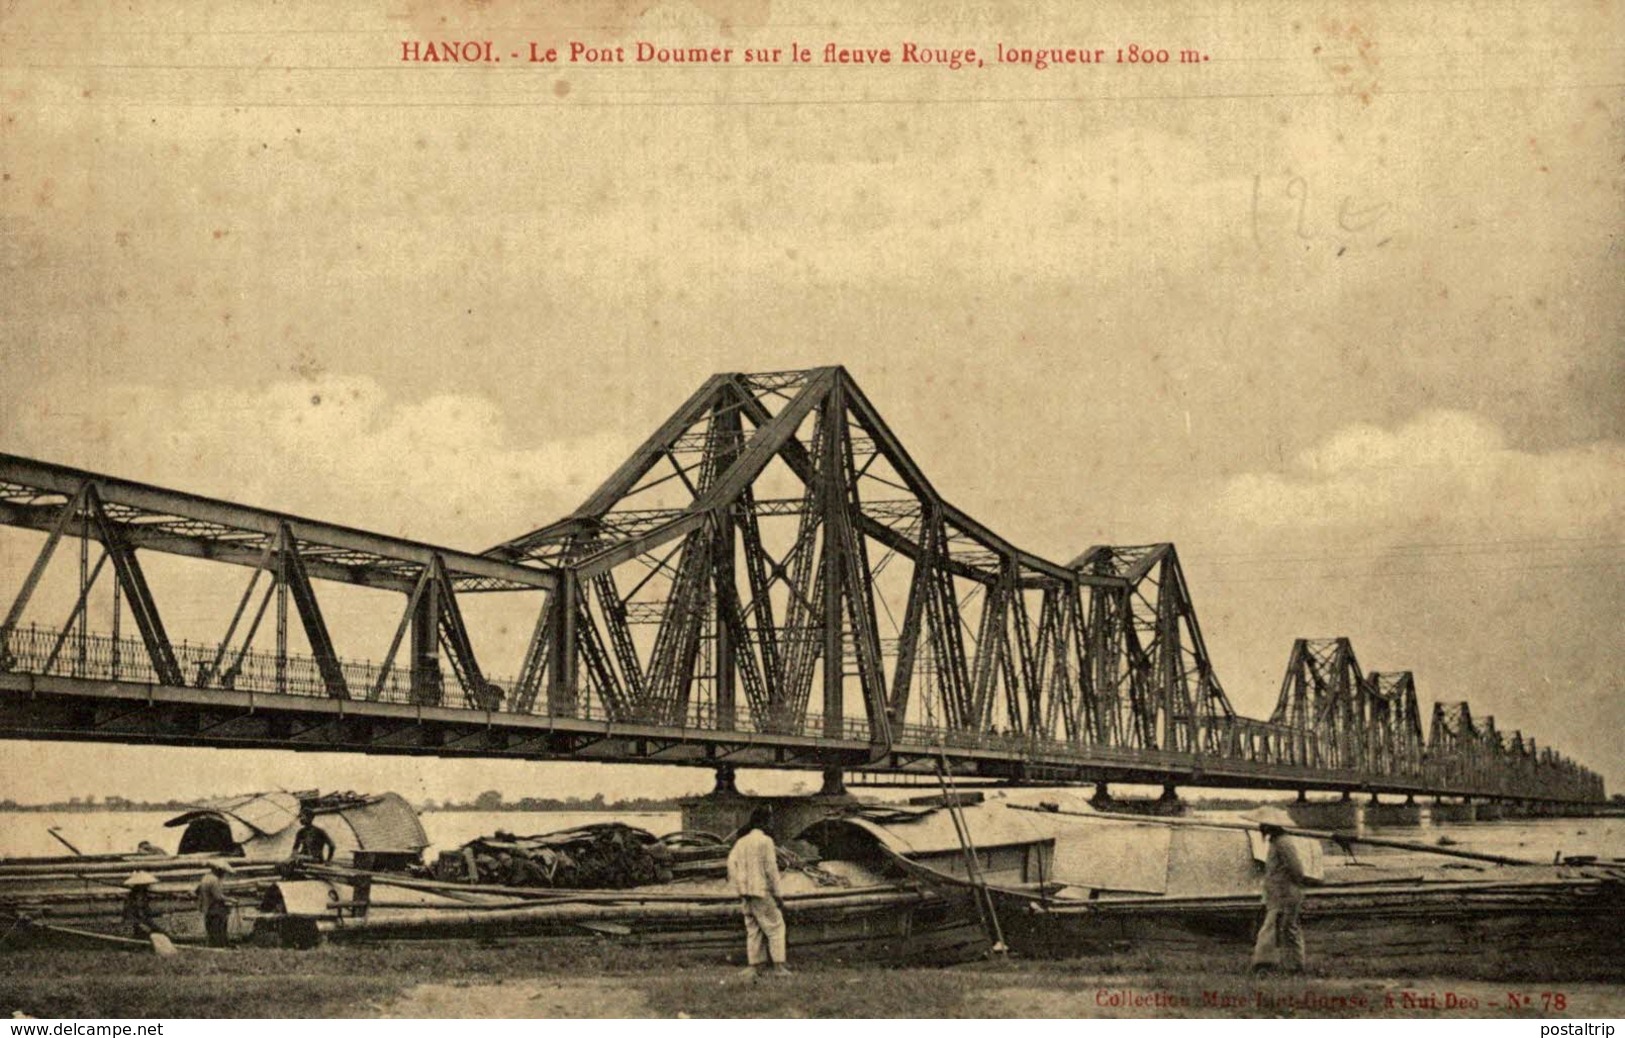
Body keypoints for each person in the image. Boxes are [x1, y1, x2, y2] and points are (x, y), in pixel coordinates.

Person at [1247, 807, 1321, 974]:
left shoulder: (1283, 843)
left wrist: (1294, 885)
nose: (1260, 827)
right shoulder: (1276, 842)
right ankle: (1292, 966)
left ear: (1270, 826)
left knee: (1274, 928)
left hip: (1285, 894)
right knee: (1287, 929)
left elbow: (1296, 870)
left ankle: (1264, 964)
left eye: (1263, 824)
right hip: (1279, 893)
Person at [726, 804, 790, 978]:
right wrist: (778, 895)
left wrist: (739, 887)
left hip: (745, 892)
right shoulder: (766, 842)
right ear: (766, 822)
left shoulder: (741, 842)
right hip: (761, 891)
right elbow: (771, 870)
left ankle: (755, 966)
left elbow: (731, 864)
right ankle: (779, 967)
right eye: (770, 820)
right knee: (776, 926)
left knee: (753, 928)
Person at [195, 859, 235, 948]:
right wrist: (231, 899)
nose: (224, 874)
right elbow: (218, 897)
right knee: (218, 928)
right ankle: (220, 945)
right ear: (218, 870)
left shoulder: (205, 877)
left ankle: (213, 944)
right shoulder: (214, 880)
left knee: (211, 929)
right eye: (223, 872)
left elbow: (197, 890)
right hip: (215, 908)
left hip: (206, 907)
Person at [120, 871, 165, 939]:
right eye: (146, 885)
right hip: (134, 924)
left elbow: (146, 913)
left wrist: (159, 915)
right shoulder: (135, 897)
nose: (148, 886)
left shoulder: (143, 895)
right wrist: (141, 924)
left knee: (161, 932)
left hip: (142, 922)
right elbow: (130, 914)